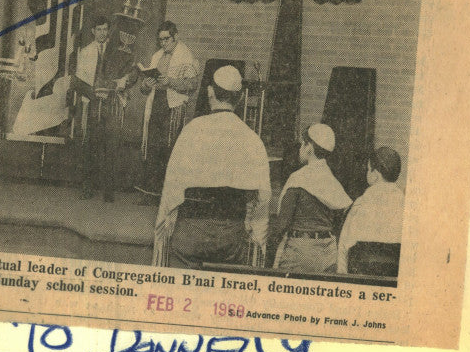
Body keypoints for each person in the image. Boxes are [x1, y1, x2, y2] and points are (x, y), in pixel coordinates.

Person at [152, 66, 271, 268]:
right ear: (240, 98)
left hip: (191, 234)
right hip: (231, 239)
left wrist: (162, 236)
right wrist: (257, 241)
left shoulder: (193, 130)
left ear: (210, 93)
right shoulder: (253, 140)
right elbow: (263, 199)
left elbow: (171, 189)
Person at [269, 123, 353, 273]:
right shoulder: (333, 181)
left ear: (309, 147)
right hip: (329, 254)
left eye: (303, 144)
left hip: (300, 252)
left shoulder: (298, 179)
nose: (300, 149)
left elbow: (282, 223)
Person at [72, 15, 137, 202]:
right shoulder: (86, 52)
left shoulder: (116, 51)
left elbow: (127, 72)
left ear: (109, 31)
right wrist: (93, 93)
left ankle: (109, 190)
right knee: (91, 146)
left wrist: (121, 83)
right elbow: (77, 82)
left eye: (105, 29)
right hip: (92, 103)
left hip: (111, 103)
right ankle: (87, 187)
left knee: (111, 145)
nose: (102, 33)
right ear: (93, 31)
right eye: (98, 29)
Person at [136, 21, 199, 205]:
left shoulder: (186, 56)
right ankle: (151, 193)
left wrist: (170, 82)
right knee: (153, 146)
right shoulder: (157, 56)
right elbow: (144, 88)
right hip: (156, 103)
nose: (163, 43)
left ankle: (168, 195)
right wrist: (146, 84)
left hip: (173, 106)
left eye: (167, 39)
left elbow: (192, 85)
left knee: (169, 148)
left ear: (176, 37)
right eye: (161, 40)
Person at [337, 146, 405, 274]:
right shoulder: (406, 205)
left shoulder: (361, 203)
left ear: (376, 175)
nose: (367, 173)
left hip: (362, 273)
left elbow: (344, 246)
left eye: (368, 169)